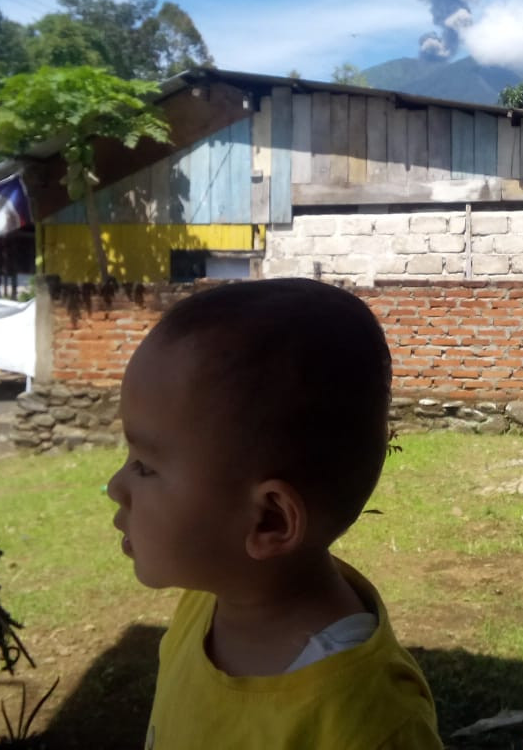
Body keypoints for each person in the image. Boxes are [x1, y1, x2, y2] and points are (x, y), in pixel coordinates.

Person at [106, 278, 442, 749]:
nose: (114, 487)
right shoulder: (205, 607)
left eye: (144, 466)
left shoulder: (368, 725)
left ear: (269, 521)